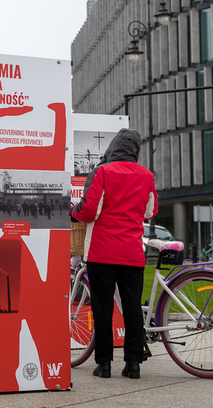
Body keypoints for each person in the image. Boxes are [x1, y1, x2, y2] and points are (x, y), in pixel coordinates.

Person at [71, 129, 157, 379]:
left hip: (102, 252)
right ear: (135, 150)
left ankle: (104, 364)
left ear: (113, 147)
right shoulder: (146, 175)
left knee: (102, 308)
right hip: (132, 253)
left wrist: (74, 212)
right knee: (131, 308)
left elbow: (88, 211)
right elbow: (150, 211)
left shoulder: (103, 172)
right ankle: (133, 364)